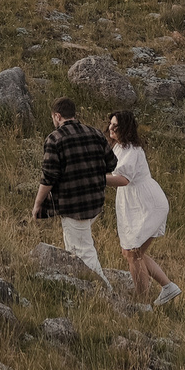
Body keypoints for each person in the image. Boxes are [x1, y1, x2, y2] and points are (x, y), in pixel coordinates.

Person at [30, 96, 115, 280]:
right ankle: (81, 287)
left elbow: (49, 176)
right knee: (79, 244)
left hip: (74, 205)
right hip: (95, 201)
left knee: (81, 252)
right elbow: (111, 163)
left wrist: (38, 204)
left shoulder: (55, 139)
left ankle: (105, 293)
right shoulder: (95, 133)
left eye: (53, 117)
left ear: (57, 116)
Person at [105, 111, 179, 306]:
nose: (111, 128)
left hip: (148, 203)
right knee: (130, 252)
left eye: (116, 126)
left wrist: (96, 179)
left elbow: (123, 179)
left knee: (133, 254)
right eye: (110, 124)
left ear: (126, 129)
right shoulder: (119, 147)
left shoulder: (133, 151)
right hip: (135, 202)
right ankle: (168, 287)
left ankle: (143, 304)